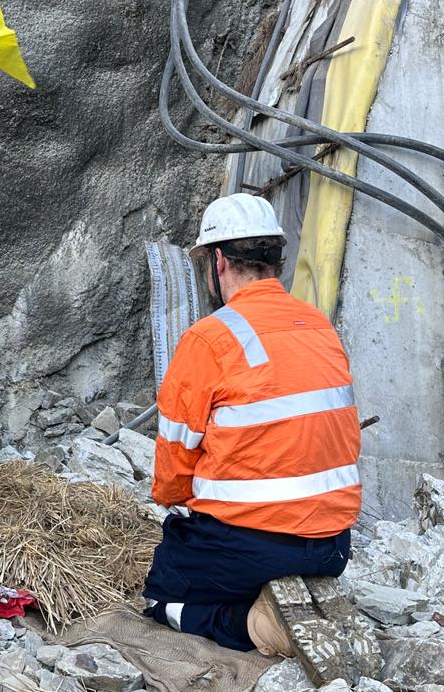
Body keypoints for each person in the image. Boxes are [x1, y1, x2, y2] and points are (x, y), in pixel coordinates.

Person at [142, 193, 362, 658]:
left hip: (250, 547)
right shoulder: (320, 327)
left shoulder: (209, 338)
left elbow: (173, 473)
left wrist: (183, 513)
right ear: (275, 259)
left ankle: (257, 624)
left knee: (161, 597)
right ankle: (289, 597)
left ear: (218, 261)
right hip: (332, 548)